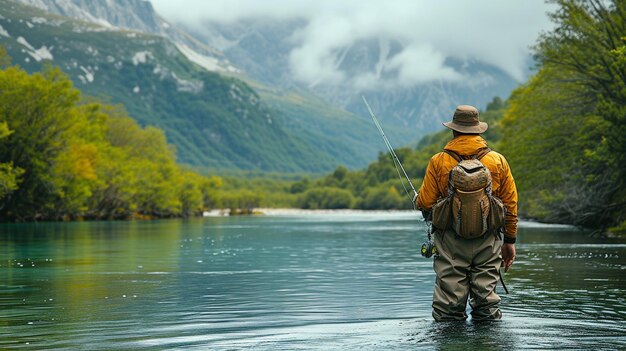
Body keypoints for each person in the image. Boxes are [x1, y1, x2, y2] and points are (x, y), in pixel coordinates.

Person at [415, 105, 518, 321]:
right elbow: (510, 205)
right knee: (486, 305)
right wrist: (509, 241)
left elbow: (425, 202)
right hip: (488, 239)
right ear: (478, 130)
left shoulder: (439, 161)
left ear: (453, 130)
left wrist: (418, 200)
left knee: (448, 308)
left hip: (450, 240)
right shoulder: (497, 161)